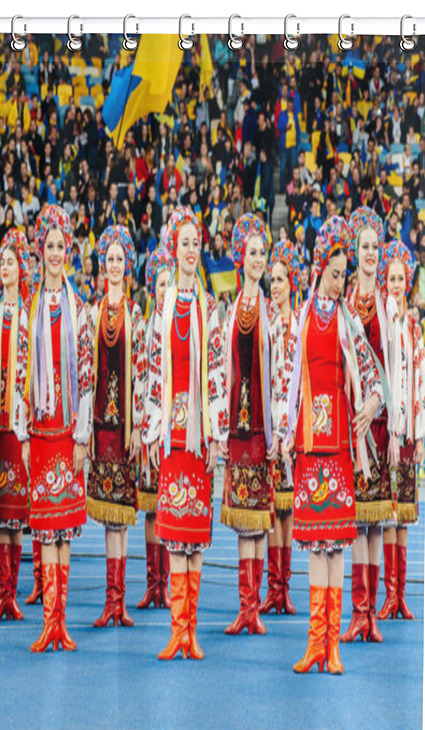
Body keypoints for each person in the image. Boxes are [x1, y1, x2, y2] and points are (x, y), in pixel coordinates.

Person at [281, 216, 383, 675]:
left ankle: (332, 647)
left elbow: (372, 372)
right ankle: (314, 643)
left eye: (346, 274)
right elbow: (290, 380)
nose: (342, 281)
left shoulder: (346, 320)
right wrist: (286, 432)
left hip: (340, 445)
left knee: (335, 548)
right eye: (337, 272)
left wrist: (372, 405)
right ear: (322, 267)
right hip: (308, 443)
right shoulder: (303, 316)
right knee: (315, 547)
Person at [143, 206, 229, 660]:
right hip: (173, 433)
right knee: (174, 529)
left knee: (194, 532)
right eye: (184, 243)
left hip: (199, 433)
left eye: (196, 243)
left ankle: (191, 630)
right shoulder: (162, 305)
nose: (191, 250)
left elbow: (216, 370)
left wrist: (216, 432)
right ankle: (176, 630)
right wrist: (153, 429)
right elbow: (155, 367)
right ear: (173, 250)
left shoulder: (208, 306)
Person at [14, 204, 94, 653]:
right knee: (44, 526)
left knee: (64, 525)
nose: (56, 253)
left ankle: (61, 619)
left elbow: (86, 374)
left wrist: (82, 435)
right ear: (40, 251)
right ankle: (49, 622)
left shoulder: (78, 307)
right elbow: (23, 371)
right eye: (49, 246)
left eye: (62, 246)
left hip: (68, 431)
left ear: (69, 252)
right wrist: (23, 435)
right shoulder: (30, 308)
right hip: (41, 430)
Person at [220, 214, 286, 637]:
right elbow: (222, 372)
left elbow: (280, 373)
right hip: (236, 429)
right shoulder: (229, 312)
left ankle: (255, 606)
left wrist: (279, 430)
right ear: (240, 258)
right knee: (245, 518)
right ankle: (245, 607)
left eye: (263, 253)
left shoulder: (273, 313)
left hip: (262, 427)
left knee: (260, 517)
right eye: (252, 253)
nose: (258, 260)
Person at [340, 206, 400, 645]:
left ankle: (371, 613)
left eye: (374, 247)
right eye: (363, 247)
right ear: (353, 252)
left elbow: (394, 370)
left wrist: (393, 422)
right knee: (358, 520)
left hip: (379, 426)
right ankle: (358, 610)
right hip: (353, 429)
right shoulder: (344, 304)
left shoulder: (387, 305)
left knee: (376, 522)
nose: (370, 254)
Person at [88, 225, 145, 628]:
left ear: (127, 266)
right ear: (102, 266)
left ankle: (119, 600)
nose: (113, 265)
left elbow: (142, 373)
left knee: (123, 514)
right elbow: (85, 373)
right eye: (108, 259)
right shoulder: (92, 313)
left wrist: (140, 426)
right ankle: (111, 599)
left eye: (119, 259)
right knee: (110, 517)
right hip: (100, 426)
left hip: (125, 426)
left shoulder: (135, 314)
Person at [0, 229, 32, 624]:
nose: (6, 268)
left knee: (16, 511)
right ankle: (3, 594)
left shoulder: (28, 314)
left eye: (11, 262)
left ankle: (13, 591)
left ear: (22, 269)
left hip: (18, 426)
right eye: (2, 263)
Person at [376, 240, 425, 621]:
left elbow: (422, 381)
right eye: (389, 278)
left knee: (405, 513)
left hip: (408, 433)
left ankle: (400, 594)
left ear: (407, 281)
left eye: (399, 278)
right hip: (387, 432)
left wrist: (421, 434)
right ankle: (388, 595)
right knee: (388, 513)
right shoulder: (381, 321)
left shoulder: (414, 327)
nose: (394, 283)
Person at [261, 240, 302, 616]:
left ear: (293, 283)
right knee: (272, 509)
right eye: (271, 280)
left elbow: (296, 384)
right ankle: (273, 587)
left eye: (280, 280)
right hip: (270, 431)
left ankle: (284, 586)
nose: (274, 286)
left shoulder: (299, 323)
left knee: (288, 511)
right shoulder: (265, 322)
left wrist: (288, 431)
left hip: (289, 432)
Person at [135, 247, 174, 610]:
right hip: (150, 429)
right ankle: (153, 582)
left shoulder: (177, 324)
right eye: (159, 284)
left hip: (174, 429)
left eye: (168, 283)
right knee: (150, 507)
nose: (164, 289)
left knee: (168, 505)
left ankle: (168, 581)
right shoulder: (146, 328)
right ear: (151, 289)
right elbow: (141, 379)